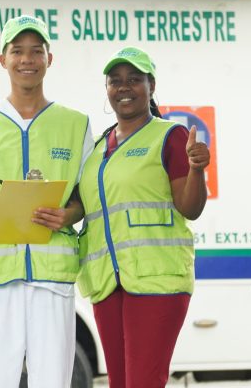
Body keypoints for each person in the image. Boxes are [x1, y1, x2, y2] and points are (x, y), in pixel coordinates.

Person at [0, 15, 94, 388]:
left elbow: (86, 197)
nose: (27, 59)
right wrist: (0, 212)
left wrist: (67, 214)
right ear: (3, 60)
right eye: (17, 51)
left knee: (53, 382)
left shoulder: (75, 124)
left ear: (49, 59)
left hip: (52, 280)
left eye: (36, 51)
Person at [76, 46, 210, 388]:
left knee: (143, 383)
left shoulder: (169, 135)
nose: (124, 87)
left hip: (157, 280)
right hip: (108, 282)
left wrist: (197, 170)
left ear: (150, 86)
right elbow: (84, 207)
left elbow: (189, 207)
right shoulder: (96, 147)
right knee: (120, 383)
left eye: (134, 79)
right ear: (106, 89)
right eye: (115, 80)